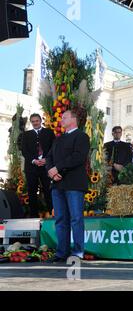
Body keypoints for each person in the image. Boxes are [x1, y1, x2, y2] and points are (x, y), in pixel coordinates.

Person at [45, 108, 90, 262]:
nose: (61, 120)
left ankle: (78, 252)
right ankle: (61, 252)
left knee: (76, 218)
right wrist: (51, 171)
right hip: (57, 184)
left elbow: (78, 157)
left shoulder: (82, 136)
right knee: (60, 219)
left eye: (64, 117)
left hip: (74, 184)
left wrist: (58, 169)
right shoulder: (58, 139)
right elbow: (49, 157)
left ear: (74, 119)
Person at [21, 113, 55, 218]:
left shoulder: (49, 132)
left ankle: (52, 214)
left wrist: (47, 159)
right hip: (31, 168)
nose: (35, 123)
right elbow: (24, 151)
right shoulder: (26, 135)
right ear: (31, 123)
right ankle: (33, 216)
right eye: (33, 121)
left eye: (37, 121)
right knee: (32, 192)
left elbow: (54, 148)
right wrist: (33, 160)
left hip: (46, 167)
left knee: (48, 191)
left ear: (40, 121)